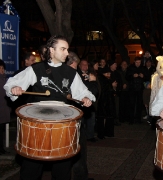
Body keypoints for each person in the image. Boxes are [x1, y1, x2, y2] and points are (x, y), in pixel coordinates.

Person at [4, 35, 95, 180]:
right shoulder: (36, 69)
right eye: (63, 49)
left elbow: (84, 92)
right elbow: (11, 83)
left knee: (62, 171)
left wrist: (86, 98)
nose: (67, 53)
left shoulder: (71, 73)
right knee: (31, 169)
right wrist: (15, 88)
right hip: (38, 121)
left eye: (67, 49)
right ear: (51, 50)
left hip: (63, 123)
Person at [66, 52, 94, 180]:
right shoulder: (66, 74)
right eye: (76, 65)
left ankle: (81, 176)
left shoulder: (75, 75)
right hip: (68, 119)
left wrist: (86, 97)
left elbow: (87, 92)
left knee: (80, 151)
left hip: (78, 118)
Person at [77, 59, 98, 142]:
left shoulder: (90, 74)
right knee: (81, 121)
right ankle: (81, 137)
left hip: (90, 101)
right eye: (83, 64)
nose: (85, 66)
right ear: (79, 65)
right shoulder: (77, 75)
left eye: (86, 65)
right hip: (81, 101)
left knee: (91, 120)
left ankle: (90, 136)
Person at [126, 57, 145, 124]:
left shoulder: (143, 68)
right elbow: (127, 77)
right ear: (134, 62)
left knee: (139, 104)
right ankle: (131, 119)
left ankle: (138, 119)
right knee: (131, 104)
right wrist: (132, 75)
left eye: (139, 62)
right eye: (137, 62)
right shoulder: (130, 68)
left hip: (140, 89)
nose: (138, 64)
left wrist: (143, 76)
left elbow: (147, 77)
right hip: (132, 88)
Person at [0, 60, 10, 155]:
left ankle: (1, 148)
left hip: (3, 109)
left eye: (3, 68)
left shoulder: (5, 80)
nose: (2, 70)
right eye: (1, 68)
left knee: (1, 131)